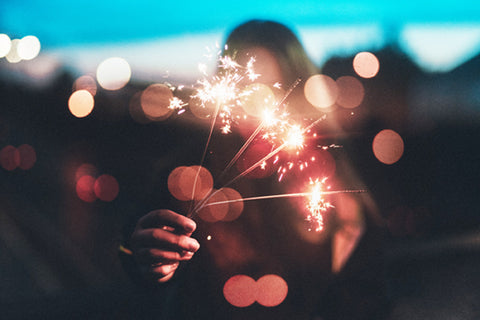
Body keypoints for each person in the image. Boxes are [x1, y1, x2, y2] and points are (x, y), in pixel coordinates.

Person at [121, 19, 390, 319]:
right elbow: (136, 249)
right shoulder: (190, 172)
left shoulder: (330, 180)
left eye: (272, 90)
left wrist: (346, 245)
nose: (255, 107)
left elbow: (365, 295)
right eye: (244, 90)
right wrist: (150, 261)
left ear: (297, 91)